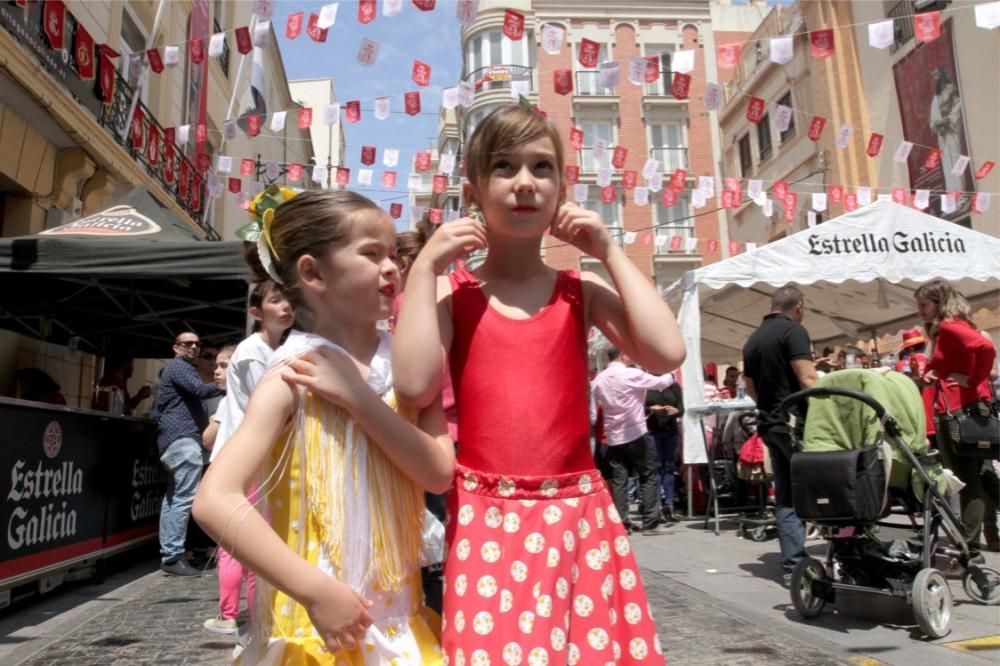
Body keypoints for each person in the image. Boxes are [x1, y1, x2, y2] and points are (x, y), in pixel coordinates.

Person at [393, 104, 684, 663]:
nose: (524, 182)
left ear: (561, 188)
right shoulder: (451, 292)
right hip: (486, 512)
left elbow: (665, 351)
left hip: (577, 511)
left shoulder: (582, 288)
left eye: (541, 167)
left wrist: (610, 251)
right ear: (473, 190)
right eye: (504, 167)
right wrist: (425, 266)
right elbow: (414, 384)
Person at [193, 189, 452, 663]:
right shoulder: (294, 372)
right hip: (320, 637)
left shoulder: (410, 366)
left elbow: (438, 472)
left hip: (401, 629)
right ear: (313, 273)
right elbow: (214, 499)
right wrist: (314, 591)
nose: (392, 267)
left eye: (394, 254)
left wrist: (357, 398)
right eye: (371, 254)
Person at [203, 279, 293, 636]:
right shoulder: (255, 351)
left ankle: (253, 617)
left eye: (287, 299)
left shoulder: (267, 349)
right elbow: (269, 407)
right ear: (257, 312)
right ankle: (240, 617)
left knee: (248, 541)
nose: (285, 306)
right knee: (245, 543)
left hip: (252, 455)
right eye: (276, 300)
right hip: (249, 456)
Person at [915, 279, 998, 554]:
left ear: (938, 303)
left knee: (967, 481)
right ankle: (971, 545)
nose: (919, 311)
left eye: (924, 305)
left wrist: (972, 379)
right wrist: (933, 372)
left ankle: (968, 549)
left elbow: (986, 350)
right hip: (963, 407)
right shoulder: (947, 329)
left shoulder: (949, 327)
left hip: (959, 410)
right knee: (983, 476)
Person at [742, 285, 817, 583]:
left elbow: (750, 387)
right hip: (795, 423)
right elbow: (808, 378)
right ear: (798, 306)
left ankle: (792, 566)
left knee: (786, 495)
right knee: (823, 488)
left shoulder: (753, 339)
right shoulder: (793, 332)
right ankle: (842, 552)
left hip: (770, 424)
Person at [154, 331, 224, 577]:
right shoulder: (179, 367)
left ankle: (171, 554)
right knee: (182, 499)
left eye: (197, 342)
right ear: (176, 347)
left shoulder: (182, 368)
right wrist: (229, 382)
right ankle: (173, 555)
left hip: (177, 441)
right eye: (188, 343)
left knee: (174, 499)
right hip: (182, 440)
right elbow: (200, 390)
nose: (193, 346)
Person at [592, 348, 677, 534]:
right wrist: (673, 371)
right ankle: (650, 522)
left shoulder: (600, 378)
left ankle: (622, 522)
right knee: (648, 475)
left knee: (619, 480)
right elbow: (661, 382)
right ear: (622, 354)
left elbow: (592, 411)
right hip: (636, 433)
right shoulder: (631, 374)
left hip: (613, 436)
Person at [645, 372, 684, 522]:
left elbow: (682, 407)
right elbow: (636, 407)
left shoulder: (673, 385)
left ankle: (669, 504)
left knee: (669, 467)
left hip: (670, 430)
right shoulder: (645, 385)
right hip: (652, 430)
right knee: (655, 467)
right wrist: (650, 409)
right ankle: (656, 506)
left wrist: (676, 411)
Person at [929, 67, 964, 194]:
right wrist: (939, 123)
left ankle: (962, 194)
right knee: (947, 165)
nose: (936, 77)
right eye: (934, 76)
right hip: (942, 134)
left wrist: (948, 120)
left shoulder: (952, 89)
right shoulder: (936, 99)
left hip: (951, 130)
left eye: (938, 74)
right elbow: (933, 121)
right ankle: (952, 195)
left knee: (956, 159)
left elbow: (958, 105)